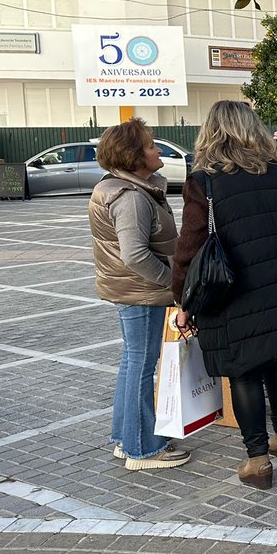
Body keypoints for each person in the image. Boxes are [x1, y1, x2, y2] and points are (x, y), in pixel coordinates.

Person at [171, 101, 277, 489]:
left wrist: (182, 301)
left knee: (244, 369)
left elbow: (189, 249)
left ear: (212, 132)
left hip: (234, 294)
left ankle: (257, 459)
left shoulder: (205, 181)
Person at [88, 118, 190, 471]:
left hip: (135, 292)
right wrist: (171, 284)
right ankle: (142, 449)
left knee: (134, 363)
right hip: (142, 293)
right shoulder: (130, 196)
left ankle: (126, 438)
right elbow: (134, 255)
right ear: (133, 156)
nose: (158, 149)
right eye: (150, 145)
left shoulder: (125, 188)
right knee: (141, 367)